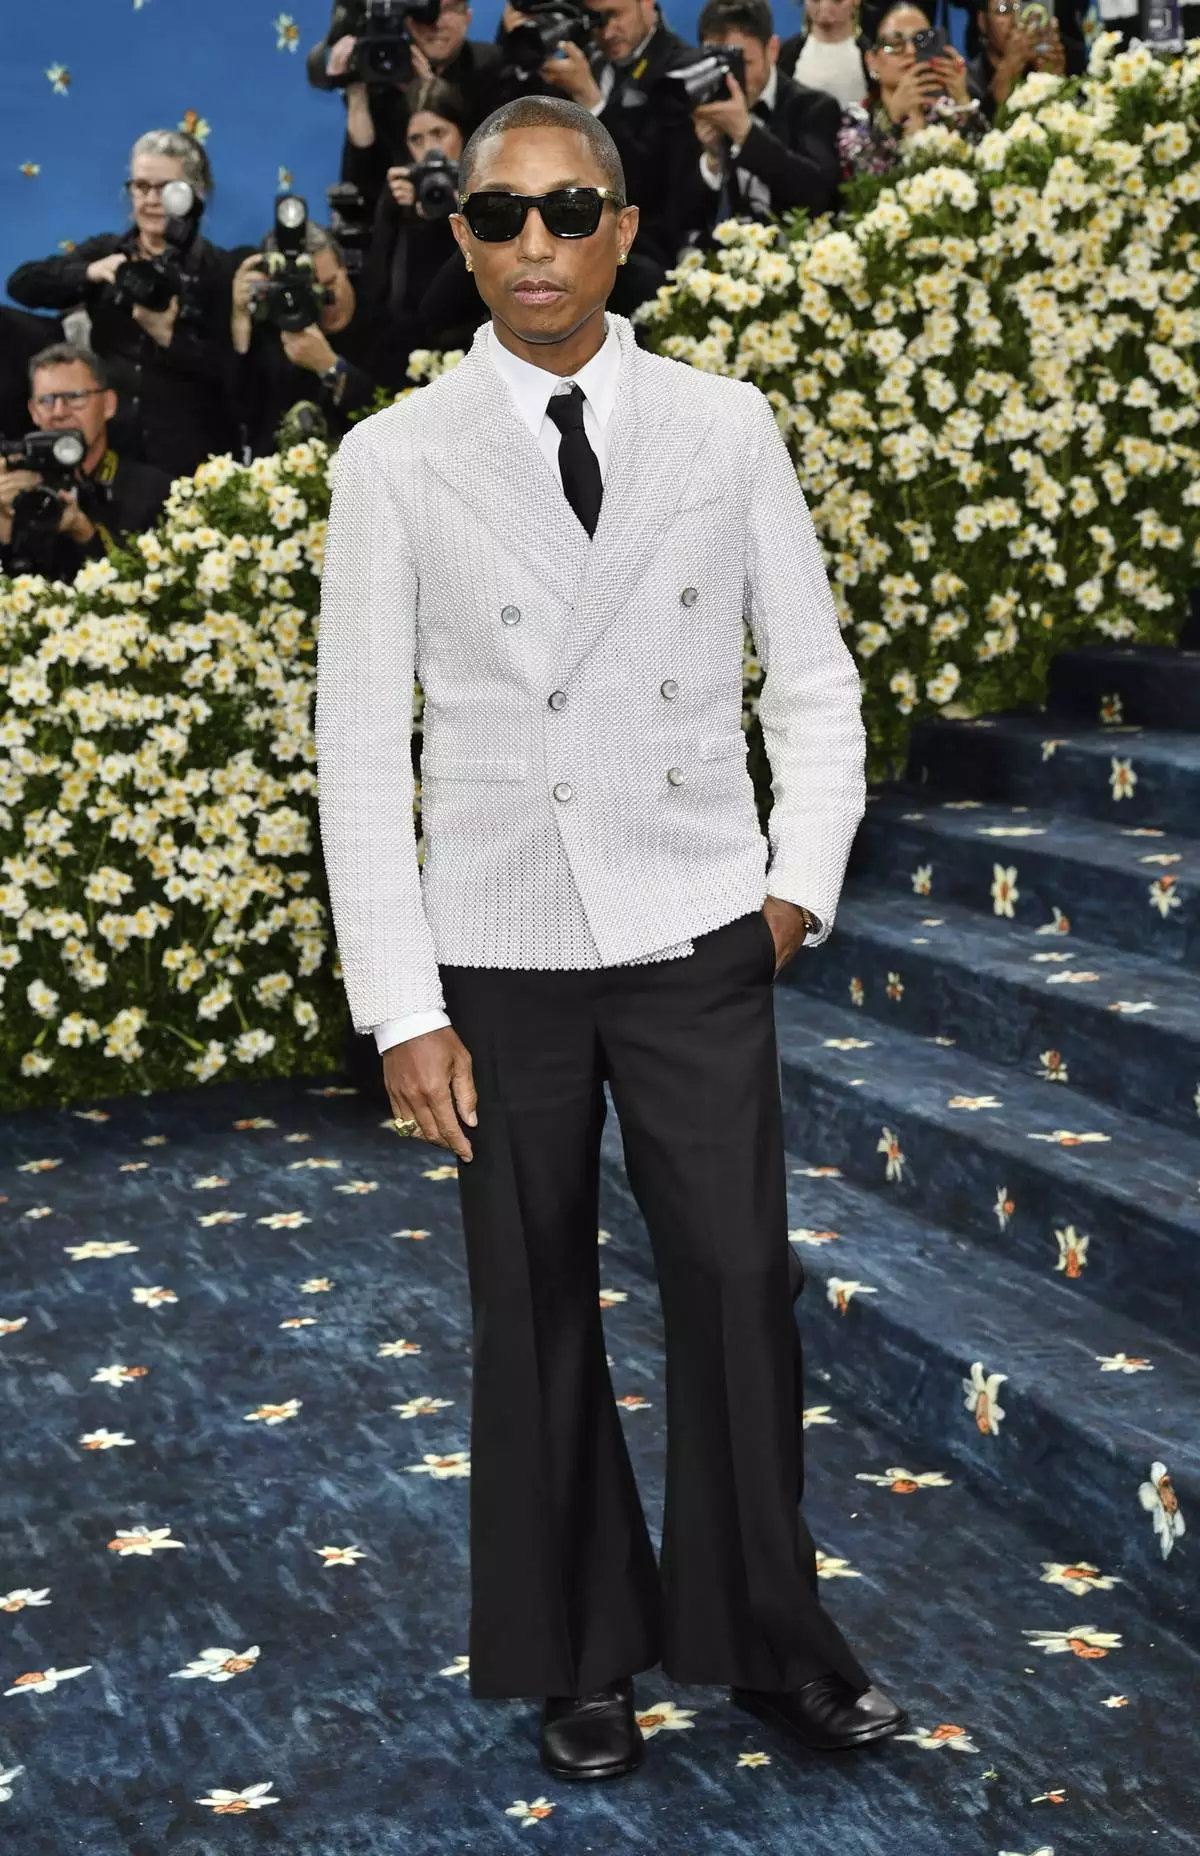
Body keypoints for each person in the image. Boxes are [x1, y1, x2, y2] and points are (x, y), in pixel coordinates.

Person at [314, 91, 906, 1780]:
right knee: (533, 1302)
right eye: (498, 219)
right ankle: (581, 1651)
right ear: (465, 240)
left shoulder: (723, 428)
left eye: (567, 210)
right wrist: (399, 1003)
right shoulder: (394, 461)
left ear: (624, 228)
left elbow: (813, 676)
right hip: (497, 954)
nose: (535, 247)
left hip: (694, 921)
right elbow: (362, 751)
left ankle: (770, 1645)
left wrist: (798, 878)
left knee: (735, 1286)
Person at [5, 131, 238, 483]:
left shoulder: (220, 271)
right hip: (108, 455)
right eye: (141, 187)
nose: (151, 200)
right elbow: (22, 284)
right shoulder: (109, 251)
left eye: (166, 189)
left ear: (195, 194)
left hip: (189, 457)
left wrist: (167, 338)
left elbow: (234, 377)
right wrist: (89, 272)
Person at [536, 0, 700, 275]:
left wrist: (592, 102)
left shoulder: (683, 72)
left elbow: (652, 184)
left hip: (650, 249)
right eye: (596, 20)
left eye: (615, 15)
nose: (607, 32)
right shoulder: (589, 63)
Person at [317, 0, 512, 212]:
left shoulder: (491, 66)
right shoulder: (380, 71)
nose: (437, 23)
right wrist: (355, 93)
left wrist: (429, 95)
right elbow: (360, 190)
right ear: (407, 21)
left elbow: (498, 166)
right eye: (424, 15)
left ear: (468, 16)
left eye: (449, 10)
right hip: (398, 221)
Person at [0, 343, 169, 580]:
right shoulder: (14, 483)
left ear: (109, 404)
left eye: (75, 397)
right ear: (33, 412)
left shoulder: (154, 491)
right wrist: (5, 529)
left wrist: (84, 531)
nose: (59, 412)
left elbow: (149, 593)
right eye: (46, 400)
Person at [681, 0, 841, 244]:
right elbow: (677, 217)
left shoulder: (814, 108)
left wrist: (746, 135)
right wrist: (712, 161)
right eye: (718, 64)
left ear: (773, 50)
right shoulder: (695, 108)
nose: (732, 79)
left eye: (742, 63)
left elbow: (818, 195)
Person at [357, 79, 483, 382]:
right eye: (417, 140)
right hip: (410, 361)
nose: (430, 150)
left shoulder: (489, 193)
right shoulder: (399, 198)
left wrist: (465, 214)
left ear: (463, 135)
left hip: (476, 356)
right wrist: (402, 215)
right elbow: (376, 296)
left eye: (439, 134)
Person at [230, 224, 387, 458]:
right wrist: (240, 319)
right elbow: (240, 415)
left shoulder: (386, 325)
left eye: (330, 284)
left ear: (345, 267)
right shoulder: (274, 331)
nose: (328, 301)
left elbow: (390, 418)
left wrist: (330, 367)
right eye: (311, 292)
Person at [838, 3, 984, 179]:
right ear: (872, 61)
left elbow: (986, 166)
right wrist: (893, 121)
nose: (910, 51)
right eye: (894, 43)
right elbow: (861, 183)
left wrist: (962, 100)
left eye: (921, 40)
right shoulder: (857, 119)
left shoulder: (950, 111)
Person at [967, 0, 1073, 117]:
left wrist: (1055, 82)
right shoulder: (967, 83)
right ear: (982, 21)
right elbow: (979, 130)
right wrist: (1008, 70)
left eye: (1023, 8)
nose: (1017, 21)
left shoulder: (1039, 67)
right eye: (1004, 9)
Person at [778, 0, 870, 107]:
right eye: (816, 0)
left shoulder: (868, 53)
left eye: (837, 0)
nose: (825, 7)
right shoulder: (789, 52)